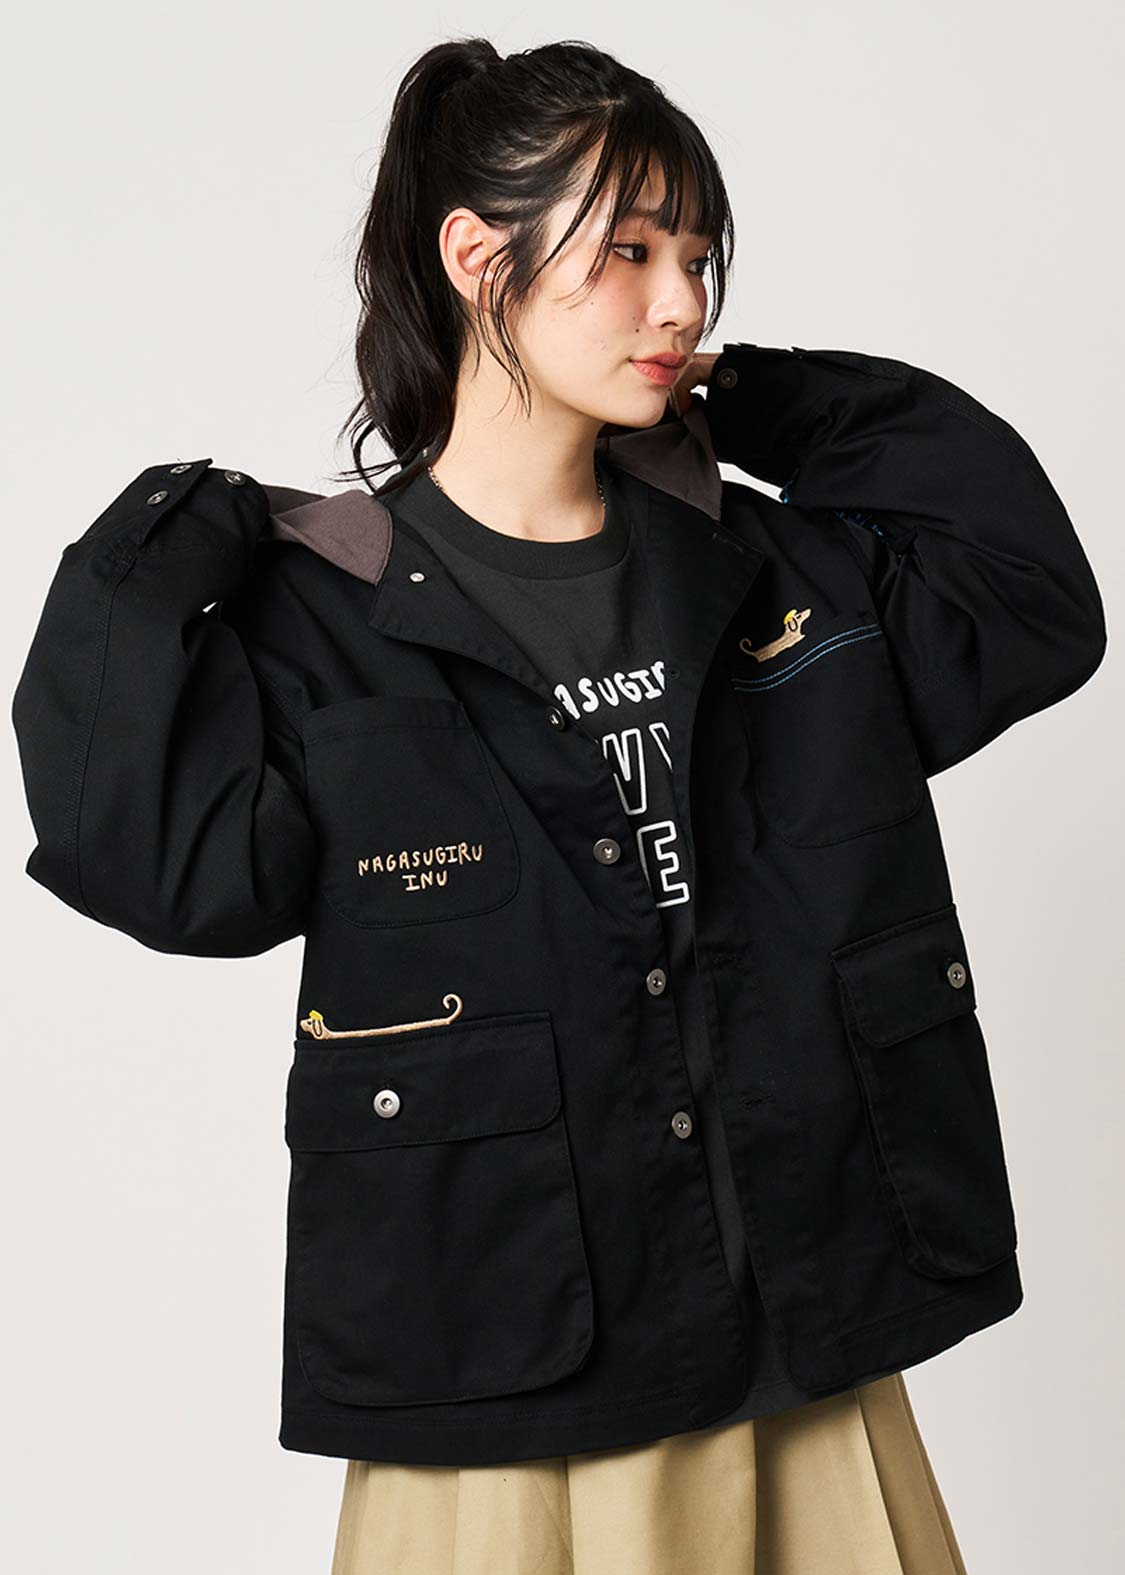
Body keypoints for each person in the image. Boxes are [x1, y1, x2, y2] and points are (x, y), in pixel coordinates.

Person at [11, 35, 1105, 1575]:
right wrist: (148, 554)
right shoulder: (320, 618)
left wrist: (756, 396)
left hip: (802, 1337)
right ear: (479, 259)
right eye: (628, 254)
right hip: (507, 1372)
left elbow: (1031, 597)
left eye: (697, 258)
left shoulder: (771, 572)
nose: (680, 302)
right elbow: (161, 870)